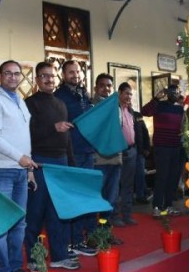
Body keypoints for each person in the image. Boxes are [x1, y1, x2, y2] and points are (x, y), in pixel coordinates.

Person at [0, 60, 37, 272]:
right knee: (2, 224)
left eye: (16, 73)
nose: (13, 77)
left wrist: (28, 168)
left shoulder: (20, 100)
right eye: (8, 73)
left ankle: (15, 268)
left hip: (20, 170)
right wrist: (19, 157)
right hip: (1, 170)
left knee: (19, 223)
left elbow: (24, 137)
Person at [24, 62, 79, 270]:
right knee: (36, 212)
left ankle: (59, 255)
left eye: (52, 76)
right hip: (40, 161)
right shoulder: (30, 103)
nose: (49, 79)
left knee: (58, 211)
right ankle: (33, 258)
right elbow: (26, 134)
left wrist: (71, 165)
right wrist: (52, 127)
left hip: (61, 162)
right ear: (36, 79)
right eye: (44, 76)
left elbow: (67, 138)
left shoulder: (61, 104)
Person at [53, 60, 97, 257]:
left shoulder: (84, 94)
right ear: (63, 75)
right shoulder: (59, 96)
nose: (75, 75)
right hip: (72, 152)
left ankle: (89, 236)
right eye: (71, 72)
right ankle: (75, 240)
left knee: (88, 195)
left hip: (88, 151)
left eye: (77, 72)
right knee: (75, 197)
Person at [141, 84, 186, 218]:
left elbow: (185, 125)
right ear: (167, 93)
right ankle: (156, 207)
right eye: (172, 92)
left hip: (176, 147)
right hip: (161, 148)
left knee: (173, 178)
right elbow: (144, 111)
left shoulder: (180, 109)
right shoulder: (159, 105)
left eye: (177, 92)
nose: (174, 94)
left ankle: (168, 206)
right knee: (162, 177)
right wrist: (156, 98)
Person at [91, 74, 121, 226]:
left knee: (112, 196)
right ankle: (95, 229)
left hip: (116, 157)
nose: (106, 88)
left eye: (109, 86)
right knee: (98, 195)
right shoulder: (91, 106)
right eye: (102, 85)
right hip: (99, 158)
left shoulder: (115, 105)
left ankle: (105, 227)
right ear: (95, 88)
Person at [113, 82, 138, 227]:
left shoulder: (130, 110)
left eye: (130, 94)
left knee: (128, 185)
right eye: (126, 93)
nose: (129, 96)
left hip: (131, 151)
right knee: (116, 185)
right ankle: (115, 216)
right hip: (118, 152)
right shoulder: (114, 109)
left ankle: (127, 215)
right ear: (119, 93)